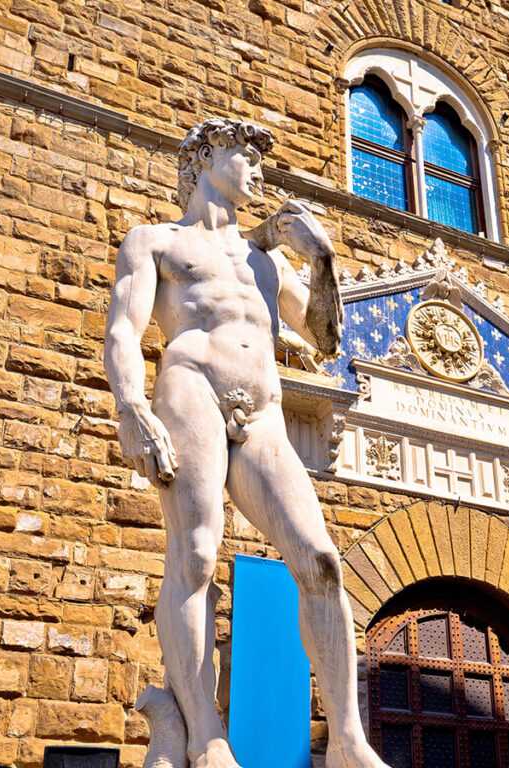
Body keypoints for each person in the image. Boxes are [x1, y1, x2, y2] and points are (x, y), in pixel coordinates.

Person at [104, 118, 387, 768]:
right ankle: (206, 736)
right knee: (197, 556)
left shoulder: (264, 261)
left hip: (264, 410)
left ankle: (346, 739)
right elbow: (123, 329)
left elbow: (324, 338)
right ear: (205, 156)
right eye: (247, 157)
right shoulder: (157, 242)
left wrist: (322, 261)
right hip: (191, 385)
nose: (259, 172)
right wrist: (132, 408)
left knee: (320, 562)